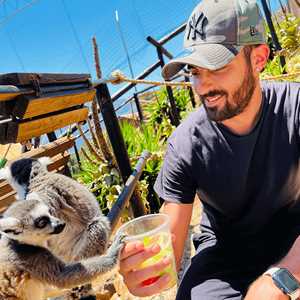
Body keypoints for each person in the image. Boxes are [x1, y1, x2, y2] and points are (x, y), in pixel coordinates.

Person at [119, 0, 300, 299]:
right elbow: (171, 243)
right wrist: (147, 268)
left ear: (258, 58)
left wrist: (283, 277)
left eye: (217, 66)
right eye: (195, 70)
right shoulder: (185, 144)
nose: (203, 86)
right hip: (228, 255)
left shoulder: (294, 108)